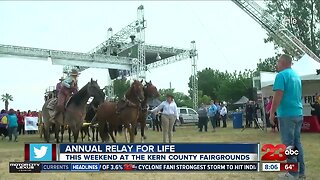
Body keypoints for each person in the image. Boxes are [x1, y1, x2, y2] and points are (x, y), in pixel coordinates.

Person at [269, 54, 305, 179]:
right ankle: (301, 172)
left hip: (287, 114)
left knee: (289, 144)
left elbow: (278, 94)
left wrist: (272, 112)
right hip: (298, 112)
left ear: (283, 62)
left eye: (278, 62)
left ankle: (292, 173)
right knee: (297, 143)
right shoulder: (296, 76)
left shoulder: (281, 75)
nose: (277, 65)